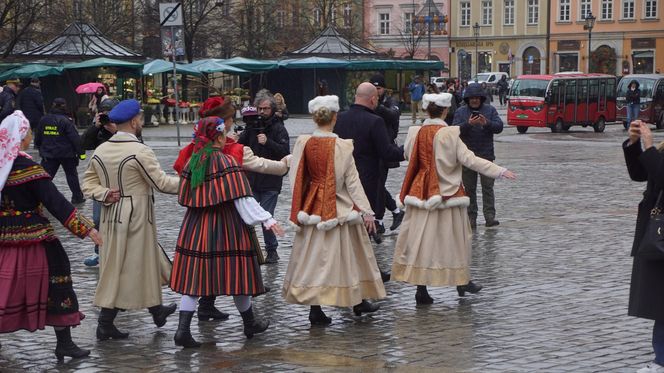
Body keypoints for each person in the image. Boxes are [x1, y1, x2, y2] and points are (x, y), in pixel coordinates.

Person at [170, 116, 284, 348]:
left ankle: (183, 330)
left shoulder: (195, 162)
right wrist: (266, 219)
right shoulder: (226, 162)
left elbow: (184, 194)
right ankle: (249, 322)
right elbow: (243, 199)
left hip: (196, 227)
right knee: (239, 275)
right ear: (219, 137)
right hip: (226, 227)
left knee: (195, 280)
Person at [392, 93, 516, 304]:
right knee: (457, 240)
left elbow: (406, 155)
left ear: (425, 110)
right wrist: (499, 170)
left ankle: (421, 289)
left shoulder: (414, 132)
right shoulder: (449, 134)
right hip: (447, 195)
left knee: (421, 240)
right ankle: (461, 281)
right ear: (446, 110)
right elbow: (470, 160)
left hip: (420, 194)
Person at [0, 111, 101, 361]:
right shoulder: (27, 167)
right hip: (36, 238)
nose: (31, 137)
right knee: (57, 283)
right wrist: (87, 229)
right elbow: (56, 203)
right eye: (29, 133)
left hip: (3, 238)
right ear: (21, 137)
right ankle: (64, 343)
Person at [82, 99, 179, 341]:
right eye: (141, 119)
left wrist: (103, 194)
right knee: (123, 268)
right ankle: (105, 323)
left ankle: (157, 311)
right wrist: (193, 181)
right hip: (136, 216)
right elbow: (162, 184)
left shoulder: (102, 149)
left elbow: (88, 183)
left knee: (146, 259)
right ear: (135, 121)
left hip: (111, 216)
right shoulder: (140, 151)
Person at [284, 95, 386, 325]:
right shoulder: (342, 146)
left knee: (313, 258)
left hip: (312, 207)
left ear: (314, 117)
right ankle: (357, 301)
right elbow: (353, 182)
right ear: (335, 117)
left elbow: (296, 177)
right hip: (339, 209)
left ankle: (316, 308)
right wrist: (366, 211)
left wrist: (300, 204)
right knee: (350, 256)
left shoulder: (303, 142)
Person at [334, 82, 404, 281]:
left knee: (348, 227)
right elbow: (386, 152)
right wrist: (407, 151)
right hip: (367, 181)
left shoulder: (339, 118)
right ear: (373, 99)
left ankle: (361, 269)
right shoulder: (375, 121)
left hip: (342, 182)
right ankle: (367, 272)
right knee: (364, 228)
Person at [624, 120, 664, 373]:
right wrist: (634, 144)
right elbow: (640, 174)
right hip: (656, 235)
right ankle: (660, 359)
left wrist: (649, 148)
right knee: (660, 303)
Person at [238, 91, 290, 264]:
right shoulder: (251, 126)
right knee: (247, 215)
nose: (261, 112)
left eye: (265, 109)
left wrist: (268, 142)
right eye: (259, 108)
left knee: (266, 215)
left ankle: (271, 250)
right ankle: (249, 249)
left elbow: (285, 153)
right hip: (252, 180)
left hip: (270, 181)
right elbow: (240, 146)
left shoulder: (278, 128)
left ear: (272, 109)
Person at [452, 83, 504, 230]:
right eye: (471, 98)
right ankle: (471, 217)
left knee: (488, 188)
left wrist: (486, 123)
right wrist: (468, 124)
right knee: (469, 189)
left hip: (486, 156)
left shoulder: (490, 110)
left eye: (477, 98)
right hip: (467, 157)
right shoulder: (461, 112)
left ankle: (490, 217)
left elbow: (499, 127)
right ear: (467, 99)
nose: (474, 100)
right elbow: (454, 130)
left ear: (481, 98)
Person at [80, 98, 119, 267]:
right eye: (105, 113)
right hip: (100, 181)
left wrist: (116, 131)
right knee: (97, 218)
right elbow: (83, 144)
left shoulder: (124, 127)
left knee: (121, 219)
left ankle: (120, 252)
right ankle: (99, 252)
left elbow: (139, 146)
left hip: (120, 180)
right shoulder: (98, 129)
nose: (107, 117)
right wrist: (95, 127)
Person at [369, 73, 405, 235]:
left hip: (386, 149)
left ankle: (380, 221)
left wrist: (377, 106)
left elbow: (393, 115)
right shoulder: (368, 103)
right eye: (374, 88)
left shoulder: (390, 102)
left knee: (378, 185)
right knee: (376, 185)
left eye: (379, 88)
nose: (376, 91)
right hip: (371, 150)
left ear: (383, 89)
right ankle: (396, 212)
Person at [34, 98, 86, 205]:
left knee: (46, 177)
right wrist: (81, 153)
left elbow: (38, 136)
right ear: (64, 106)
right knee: (71, 176)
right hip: (67, 154)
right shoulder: (66, 121)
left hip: (49, 154)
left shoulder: (44, 119)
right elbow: (75, 138)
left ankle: (39, 198)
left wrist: (40, 148)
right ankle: (77, 197)